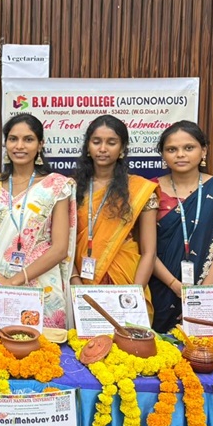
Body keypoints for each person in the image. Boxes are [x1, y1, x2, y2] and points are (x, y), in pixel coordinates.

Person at [0, 114, 76, 329]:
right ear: (6, 143)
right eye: (13, 139)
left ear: (40, 144)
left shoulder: (56, 186)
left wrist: (14, 282)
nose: (19, 146)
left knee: (43, 347)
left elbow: (59, 249)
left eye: (28, 139)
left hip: (42, 286)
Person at [149, 121, 213, 332]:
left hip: (209, 292)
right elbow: (145, 250)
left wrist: (201, 298)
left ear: (204, 151)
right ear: (163, 154)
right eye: (172, 149)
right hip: (160, 289)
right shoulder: (149, 190)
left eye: (189, 147)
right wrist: (174, 285)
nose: (180, 154)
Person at [71, 115, 158, 317]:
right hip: (80, 281)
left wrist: (134, 295)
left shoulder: (139, 189)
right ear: (87, 147)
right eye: (96, 142)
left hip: (126, 279)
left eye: (111, 143)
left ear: (122, 149)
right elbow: (62, 244)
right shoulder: (70, 188)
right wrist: (75, 284)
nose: (103, 149)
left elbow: (149, 252)